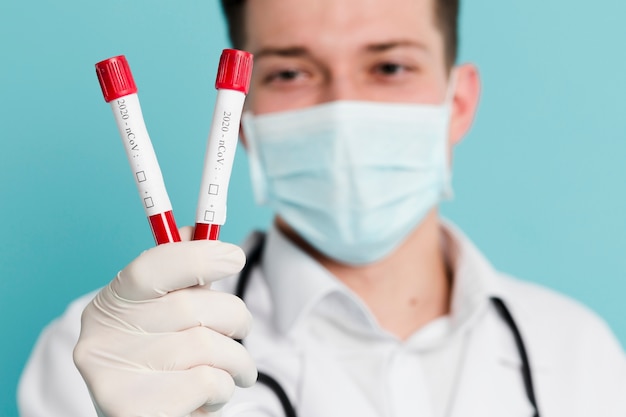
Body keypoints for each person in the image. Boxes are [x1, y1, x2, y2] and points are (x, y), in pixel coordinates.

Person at [18, 0, 626, 416]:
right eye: (289, 73)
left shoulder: (577, 352)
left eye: (390, 66)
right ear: (245, 119)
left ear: (458, 103)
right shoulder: (110, 355)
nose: (341, 111)